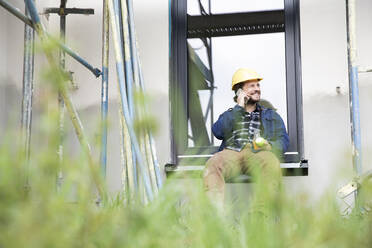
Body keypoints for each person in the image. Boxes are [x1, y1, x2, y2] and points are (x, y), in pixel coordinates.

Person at [203, 68, 289, 213]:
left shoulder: (271, 115)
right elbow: (217, 131)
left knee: (272, 162)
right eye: (252, 86)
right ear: (239, 92)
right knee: (213, 163)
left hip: (258, 152)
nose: (257, 89)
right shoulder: (229, 114)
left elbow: (284, 141)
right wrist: (239, 107)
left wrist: (270, 146)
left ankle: (260, 215)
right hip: (231, 152)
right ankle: (215, 215)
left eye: (258, 85)